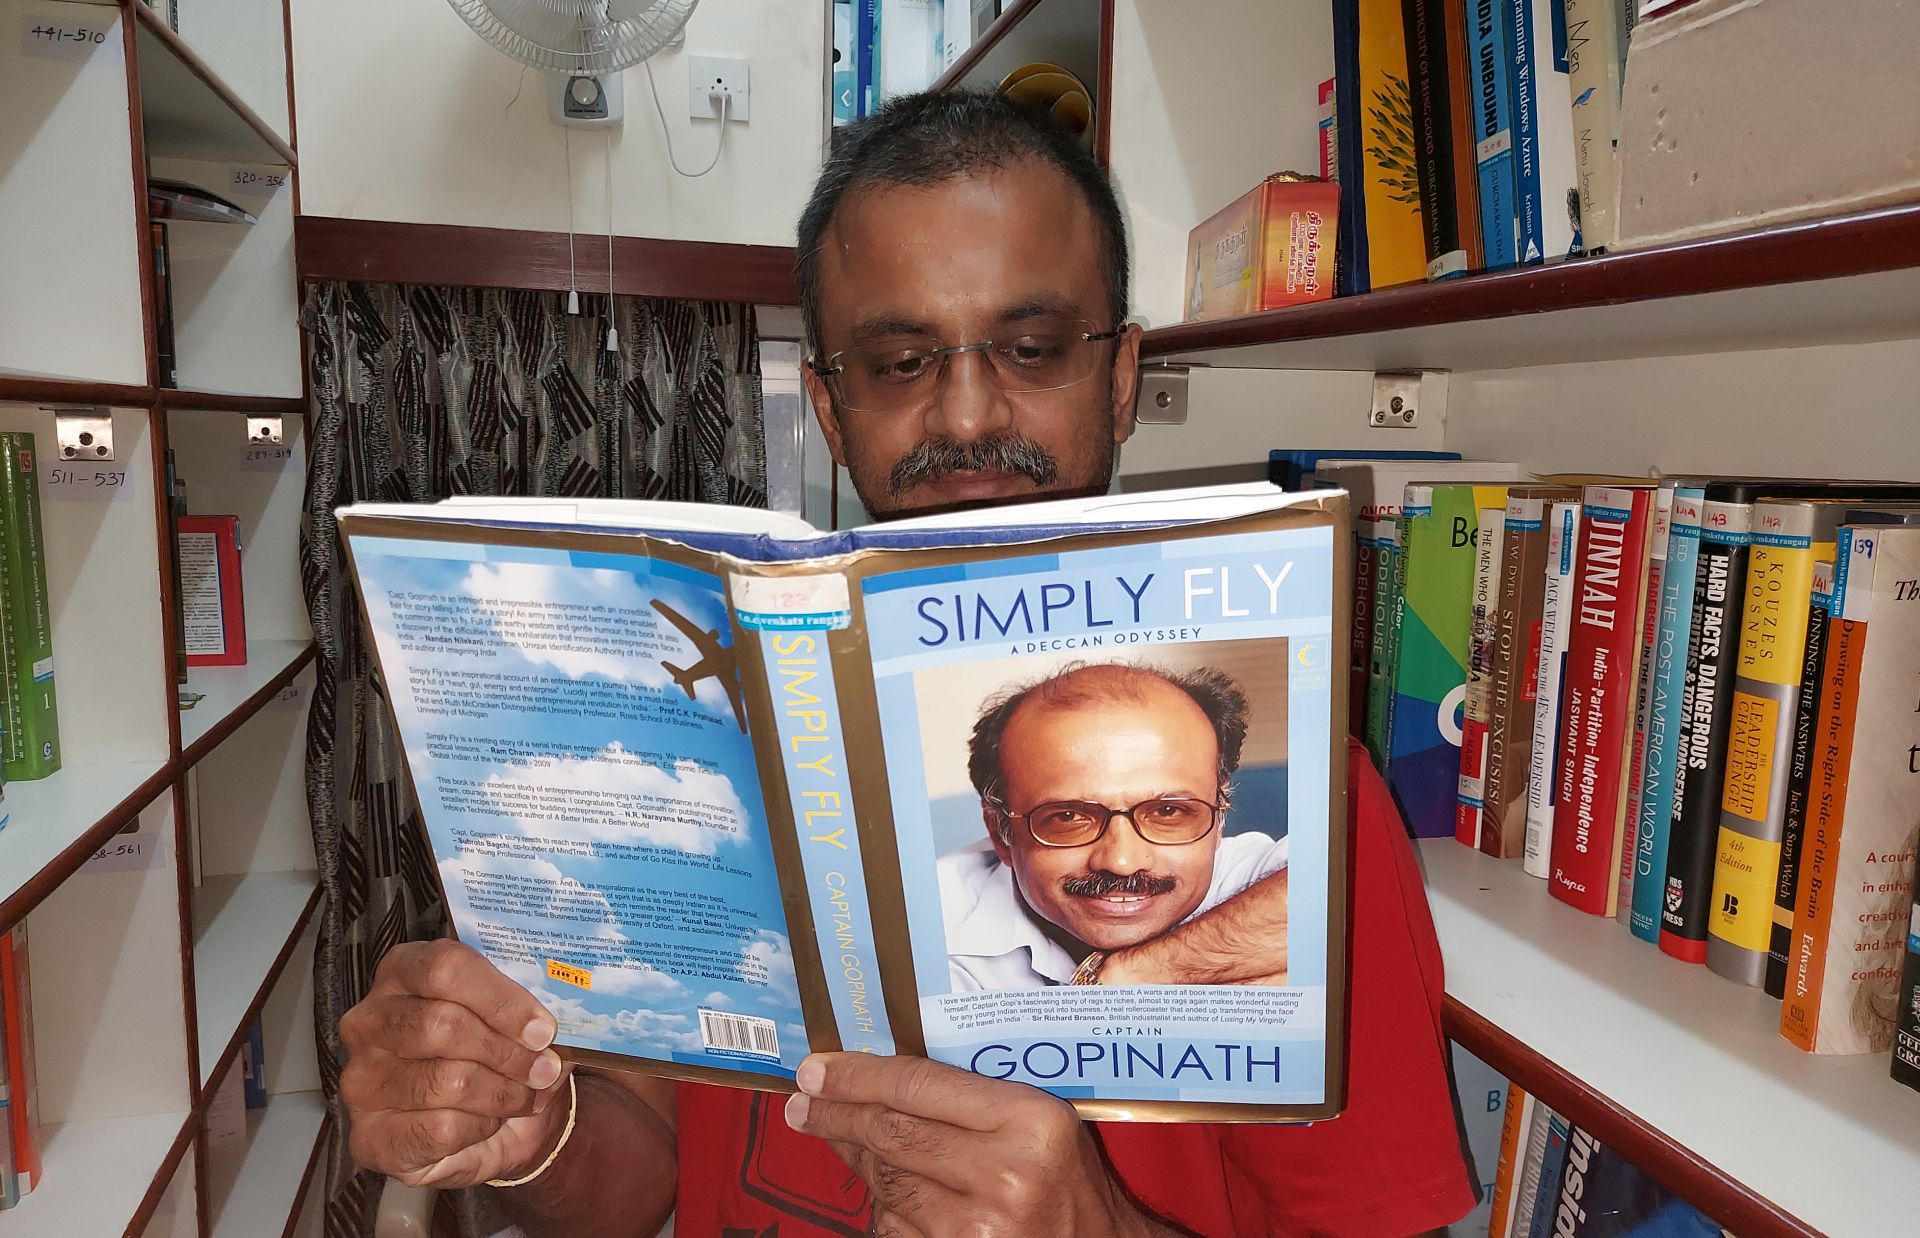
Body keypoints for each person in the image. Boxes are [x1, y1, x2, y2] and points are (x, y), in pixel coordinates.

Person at [339, 90, 1476, 1237]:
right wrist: (529, 1129)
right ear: (830, 408)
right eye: (897, 361)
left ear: (1123, 375)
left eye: (1031, 348)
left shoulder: (1328, 814)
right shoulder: (702, 732)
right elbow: (637, 1186)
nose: (968, 415)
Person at [943, 662, 1291, 990]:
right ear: (1000, 832)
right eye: (1069, 817)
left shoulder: (1262, 881)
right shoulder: (930, 929)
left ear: (1219, 818)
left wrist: (1137, 973)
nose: (1122, 861)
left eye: (1167, 811)